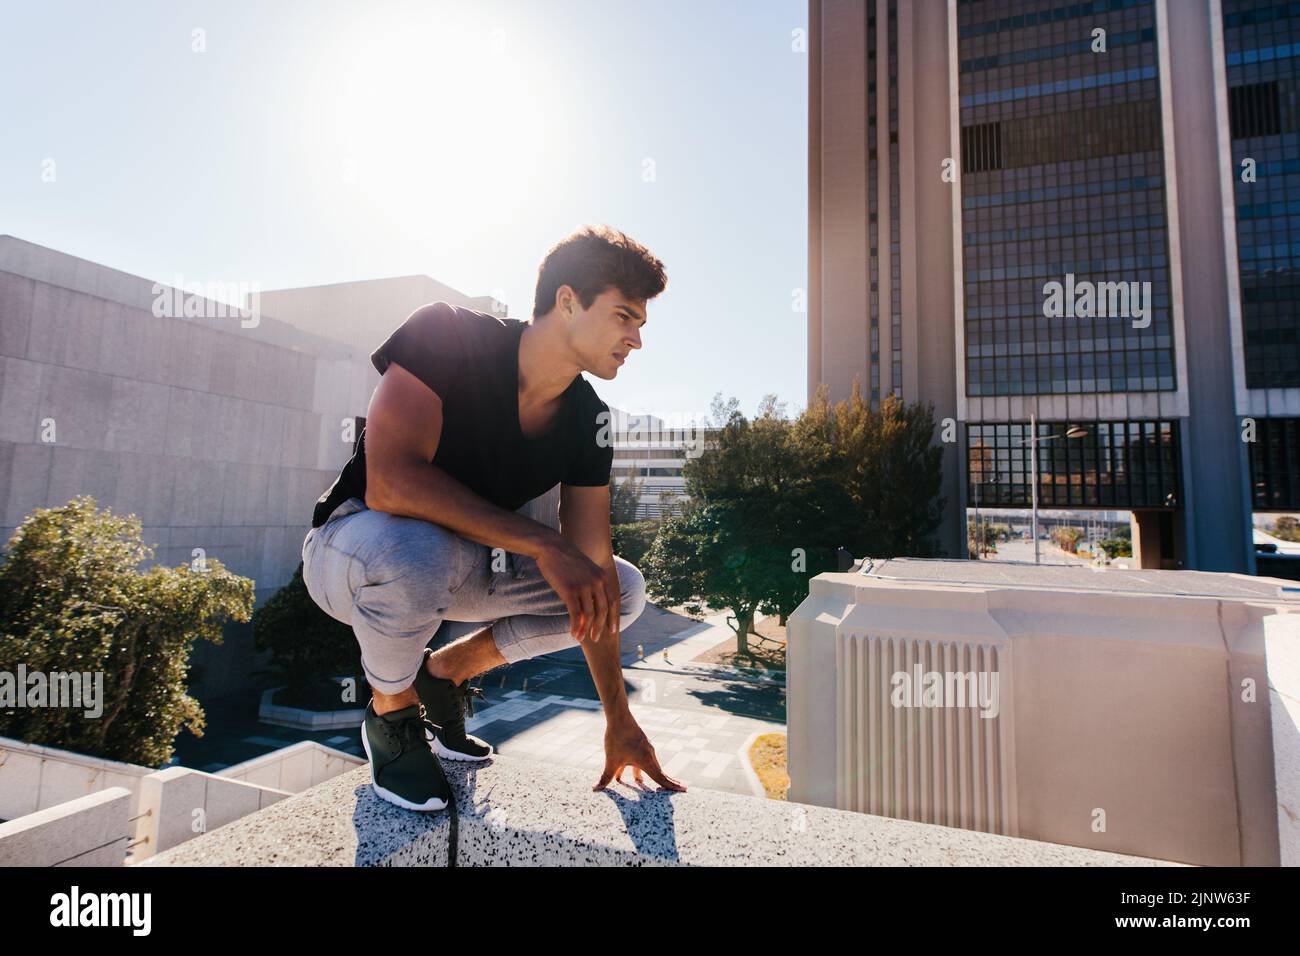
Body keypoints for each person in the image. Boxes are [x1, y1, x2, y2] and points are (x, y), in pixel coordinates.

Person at [300, 225, 687, 812]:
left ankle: (446, 672)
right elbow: (392, 480)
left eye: (640, 324)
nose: (635, 339)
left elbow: (592, 566)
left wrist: (619, 718)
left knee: (619, 590)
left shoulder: (589, 420)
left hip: (459, 564)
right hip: (355, 547)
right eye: (624, 316)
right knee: (414, 552)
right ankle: (392, 719)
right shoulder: (446, 333)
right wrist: (544, 545)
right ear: (566, 301)